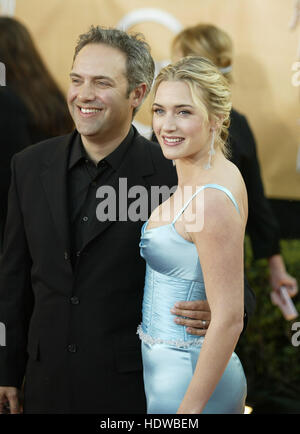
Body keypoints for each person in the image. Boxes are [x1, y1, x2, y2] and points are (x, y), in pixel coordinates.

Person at [0, 26, 252, 414]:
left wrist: (230, 309)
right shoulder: (30, 166)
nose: (84, 94)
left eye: (101, 82)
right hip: (43, 385)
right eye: (77, 80)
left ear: (136, 94)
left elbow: (228, 271)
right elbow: (13, 277)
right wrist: (6, 369)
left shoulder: (172, 172)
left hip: (130, 390)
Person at [139, 56, 247, 414]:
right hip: (174, 374)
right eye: (159, 110)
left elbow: (230, 317)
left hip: (190, 384)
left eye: (184, 112)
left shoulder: (212, 198)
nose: (166, 125)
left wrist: (188, 412)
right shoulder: (213, 171)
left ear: (217, 118)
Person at [168, 23, 298, 300]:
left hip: (214, 271)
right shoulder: (168, 129)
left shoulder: (234, 126)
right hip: (176, 270)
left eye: (176, 62)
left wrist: (277, 270)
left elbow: (256, 202)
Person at [0, 16, 74, 249]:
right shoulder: (50, 97)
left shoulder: (7, 103)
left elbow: (8, 178)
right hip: (51, 223)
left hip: (14, 230)